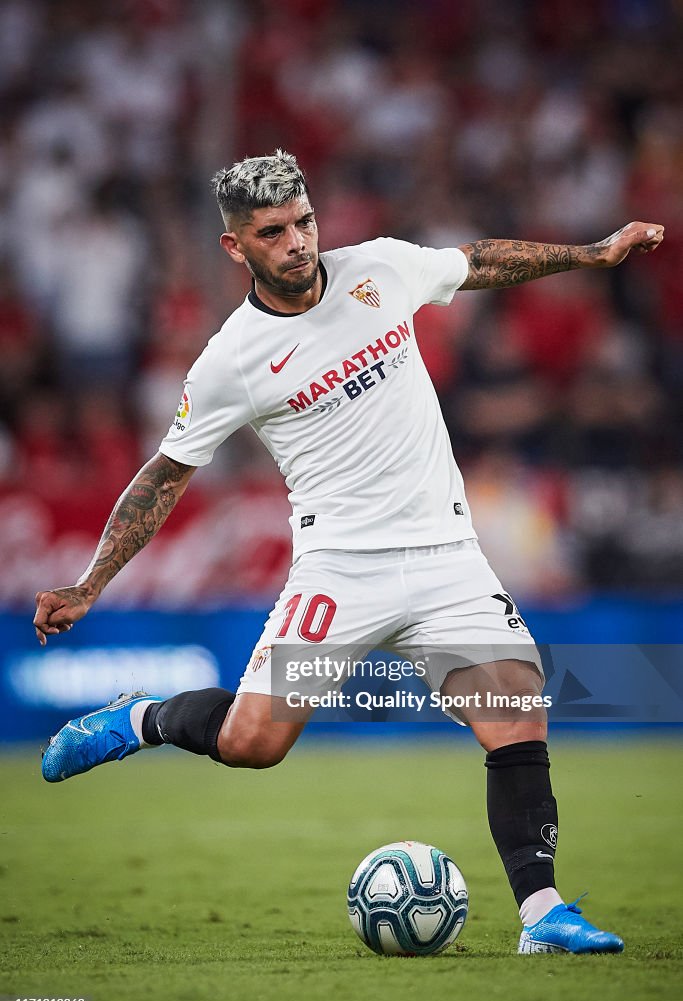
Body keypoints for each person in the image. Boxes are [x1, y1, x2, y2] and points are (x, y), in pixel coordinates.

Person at [34, 150, 664, 955]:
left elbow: (472, 262)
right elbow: (165, 473)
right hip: (339, 572)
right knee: (252, 744)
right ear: (236, 248)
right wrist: (91, 581)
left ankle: (542, 915)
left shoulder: (379, 269)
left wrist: (592, 252)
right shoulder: (232, 358)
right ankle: (140, 719)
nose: (297, 242)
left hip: (446, 559)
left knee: (515, 711)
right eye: (273, 232)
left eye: (303, 222)